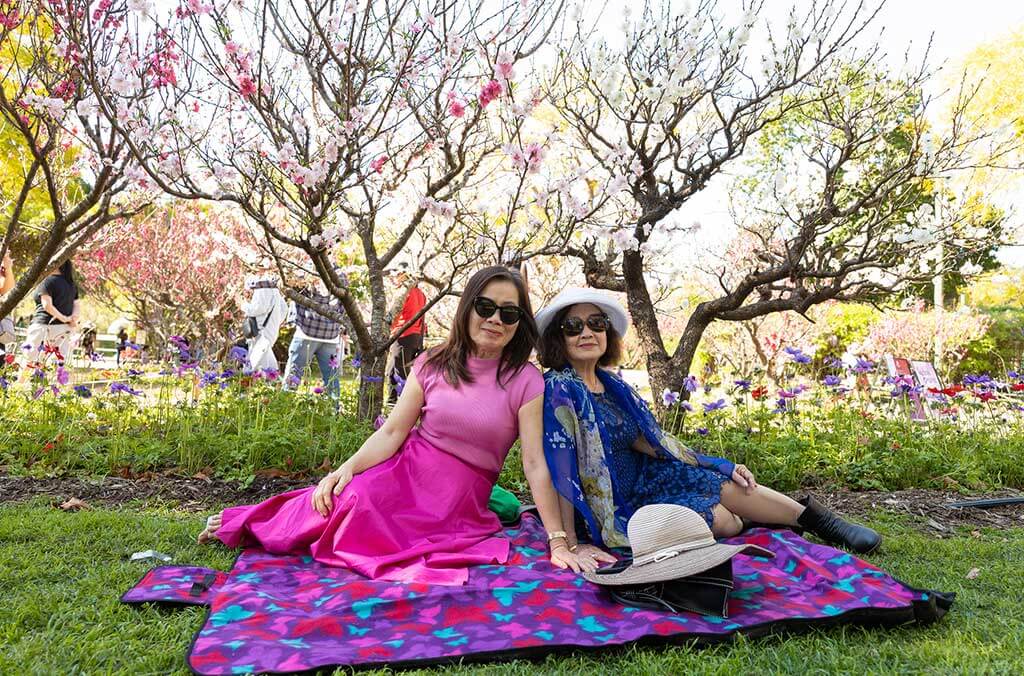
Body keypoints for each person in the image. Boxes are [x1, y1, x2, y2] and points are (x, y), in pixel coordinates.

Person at [197, 266, 594, 585]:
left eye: (509, 313)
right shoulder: (434, 362)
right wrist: (346, 468)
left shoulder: (526, 380)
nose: (495, 319)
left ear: (519, 323)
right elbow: (391, 432)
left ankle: (256, 520)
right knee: (347, 495)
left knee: (362, 513)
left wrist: (558, 540)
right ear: (468, 308)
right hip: (406, 468)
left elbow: (534, 463)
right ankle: (247, 521)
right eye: (485, 307)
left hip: (458, 497)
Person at [536, 288, 881, 564]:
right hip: (611, 506)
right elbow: (561, 471)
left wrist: (720, 465)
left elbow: (650, 441)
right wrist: (568, 541)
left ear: (607, 335)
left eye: (596, 324)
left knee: (723, 482)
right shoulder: (559, 390)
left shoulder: (612, 385)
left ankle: (826, 524)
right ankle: (754, 517)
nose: (587, 333)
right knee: (722, 521)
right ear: (558, 338)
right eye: (573, 326)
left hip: (646, 479)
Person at [282, 279, 344, 398]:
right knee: (331, 379)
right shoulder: (340, 276)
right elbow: (344, 304)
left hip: (306, 332)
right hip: (330, 335)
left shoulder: (305, 272)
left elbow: (291, 289)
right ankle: (334, 411)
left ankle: (285, 407)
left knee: (294, 374)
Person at [25, 260, 81, 365]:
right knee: (58, 366)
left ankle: (22, 382)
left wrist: (64, 318)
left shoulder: (47, 281)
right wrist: (72, 319)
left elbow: (47, 305)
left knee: (30, 362)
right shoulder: (71, 284)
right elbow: (77, 306)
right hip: (65, 329)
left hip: (43, 327)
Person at [387, 264, 427, 403]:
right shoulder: (421, 294)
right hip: (415, 336)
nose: (393, 279)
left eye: (396, 276)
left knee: (400, 372)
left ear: (404, 276)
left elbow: (394, 316)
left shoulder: (404, 292)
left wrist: (386, 329)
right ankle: (391, 402)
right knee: (392, 371)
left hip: (402, 335)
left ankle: (406, 405)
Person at [240, 270, 288, 372]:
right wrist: (275, 322)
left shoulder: (262, 289)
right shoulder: (274, 289)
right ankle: (267, 383)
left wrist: (243, 305)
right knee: (262, 362)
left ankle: (261, 383)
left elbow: (257, 309)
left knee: (257, 365)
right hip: (271, 330)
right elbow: (284, 309)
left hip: (261, 331)